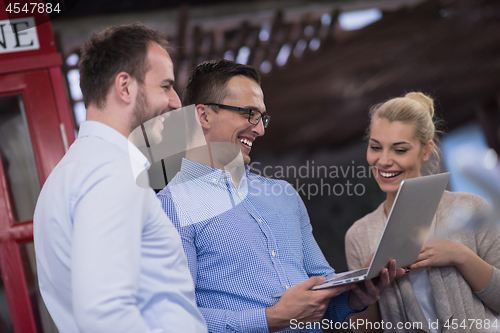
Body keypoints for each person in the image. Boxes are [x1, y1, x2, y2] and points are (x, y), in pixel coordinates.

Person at [157, 59, 403, 333]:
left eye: (262, 117)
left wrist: (356, 295)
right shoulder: (171, 206)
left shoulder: (284, 195)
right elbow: (175, 320)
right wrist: (272, 318)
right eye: (249, 113)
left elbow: (322, 300)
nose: (260, 129)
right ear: (203, 116)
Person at [33, 24, 207, 333]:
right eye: (165, 86)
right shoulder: (113, 173)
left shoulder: (70, 172)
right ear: (125, 87)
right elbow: (105, 313)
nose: (176, 101)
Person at [345, 92, 500, 332]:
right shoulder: (358, 235)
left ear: (426, 151)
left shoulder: (471, 207)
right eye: (376, 147)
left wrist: (460, 255)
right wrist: (367, 292)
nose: (383, 161)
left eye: (399, 150)